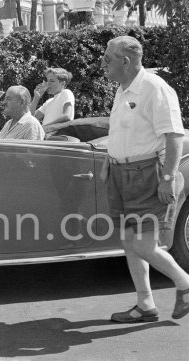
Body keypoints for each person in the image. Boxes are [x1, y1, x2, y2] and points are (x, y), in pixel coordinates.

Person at [99, 36, 189, 322]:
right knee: (129, 240)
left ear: (125, 62)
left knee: (142, 245)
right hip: (122, 174)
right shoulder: (122, 89)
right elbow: (123, 132)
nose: (102, 63)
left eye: (107, 58)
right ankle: (146, 305)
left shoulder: (155, 88)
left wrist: (167, 178)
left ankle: (186, 283)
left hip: (147, 175)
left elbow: (175, 136)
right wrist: (108, 160)